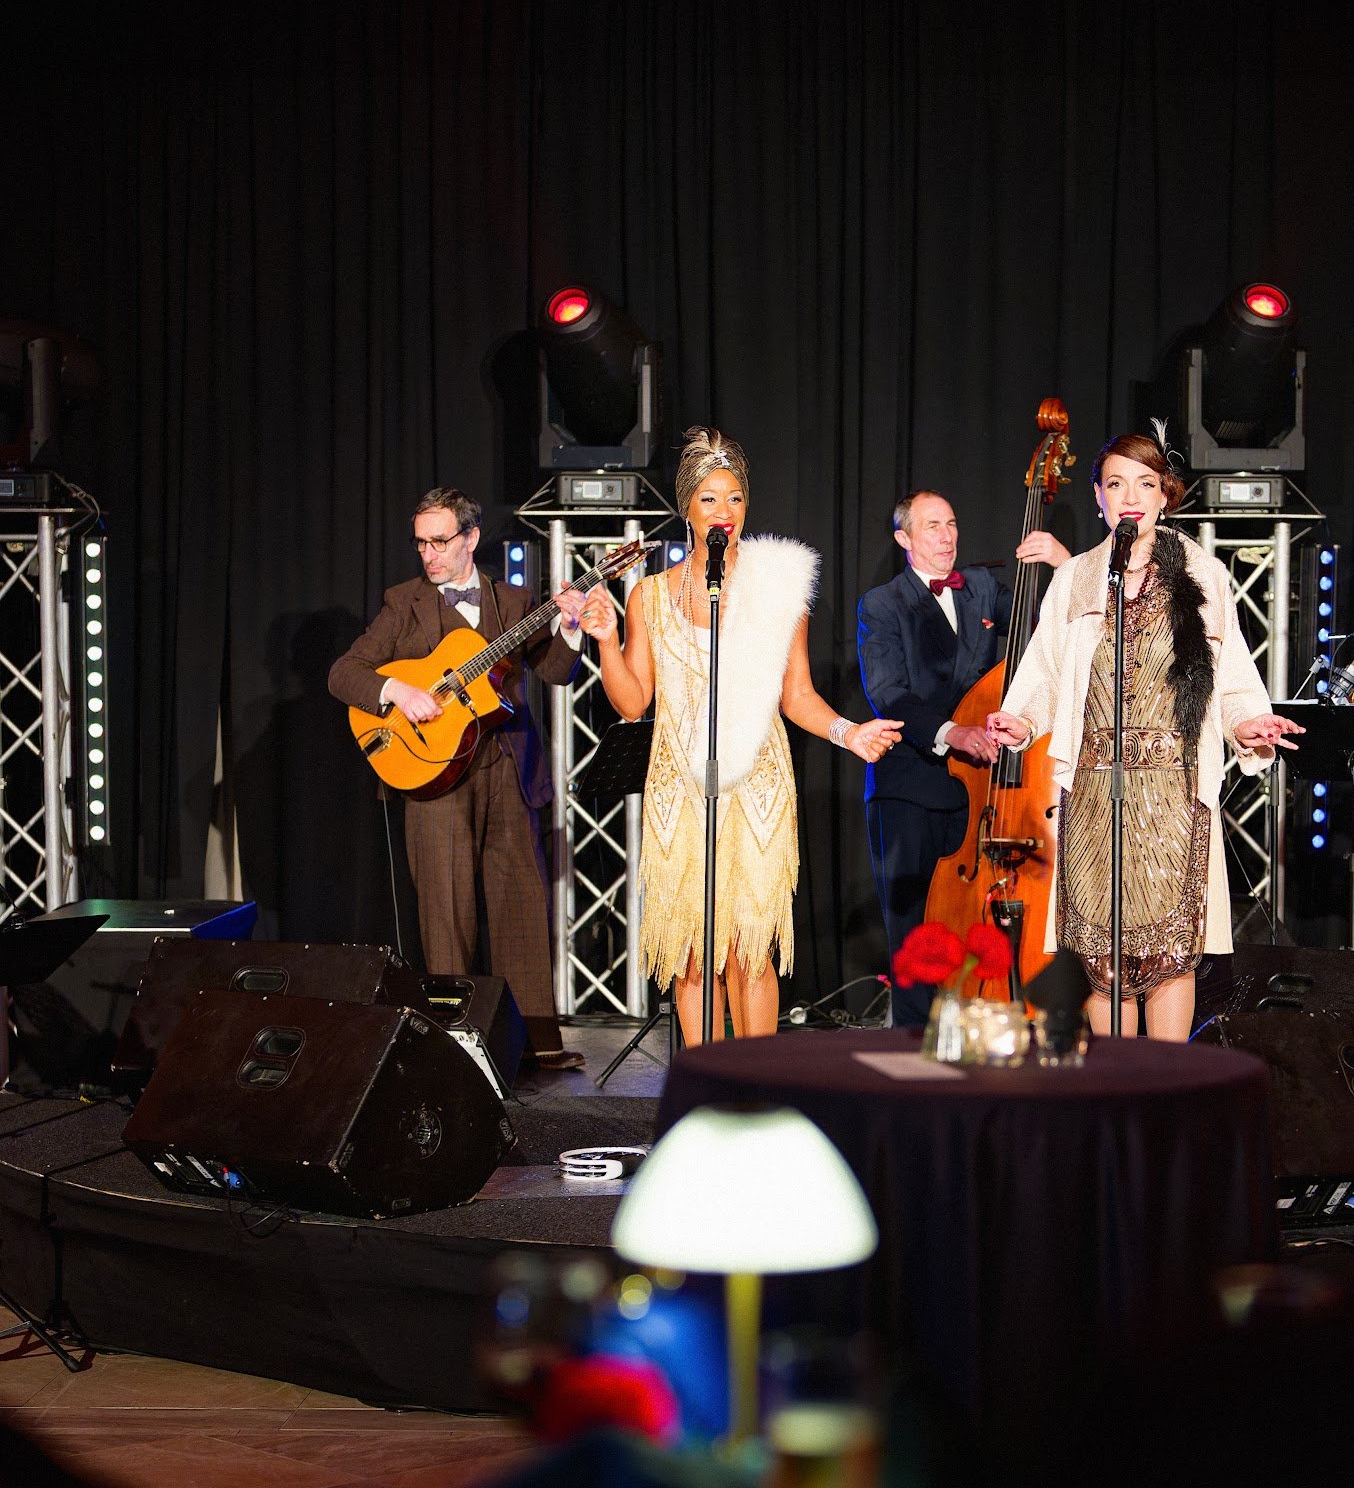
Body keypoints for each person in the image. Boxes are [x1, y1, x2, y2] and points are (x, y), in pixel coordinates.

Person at [582, 427, 901, 1044]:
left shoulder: (779, 591)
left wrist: (849, 733)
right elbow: (631, 701)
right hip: (683, 788)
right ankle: (705, 1089)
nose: (723, 512)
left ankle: (756, 1086)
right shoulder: (648, 595)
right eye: (709, 499)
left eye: (734, 499)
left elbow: (797, 694)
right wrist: (604, 642)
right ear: (687, 509)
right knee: (695, 950)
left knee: (749, 947)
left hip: (756, 786)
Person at [987, 432, 1301, 1040]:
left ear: (1165, 497)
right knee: (1103, 964)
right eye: (1116, 484)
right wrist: (1021, 720)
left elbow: (1232, 678)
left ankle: (1167, 1096)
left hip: (1174, 794)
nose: (1130, 496)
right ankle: (1116, 1095)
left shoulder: (1205, 576)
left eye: (1145, 483)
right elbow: (1045, 674)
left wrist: (1247, 723)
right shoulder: (1076, 579)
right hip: (1095, 793)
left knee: (1166, 958)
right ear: (1101, 499)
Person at [328, 487, 587, 1072]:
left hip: (508, 772)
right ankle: (456, 1048)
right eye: (421, 542)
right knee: (446, 913)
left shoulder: (515, 600)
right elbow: (344, 674)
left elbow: (554, 672)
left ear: (470, 538)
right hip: (434, 774)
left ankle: (539, 1044)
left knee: (521, 906)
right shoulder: (406, 604)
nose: (429, 554)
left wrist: (570, 626)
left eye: (440, 541)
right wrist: (399, 691)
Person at [855, 491, 1067, 1024]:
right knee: (914, 938)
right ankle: (912, 1060)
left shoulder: (981, 589)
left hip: (982, 794)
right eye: (932, 527)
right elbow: (890, 693)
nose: (947, 536)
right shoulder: (882, 604)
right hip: (911, 789)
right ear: (904, 540)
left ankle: (977, 1040)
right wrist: (955, 732)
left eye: (951, 524)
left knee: (974, 931)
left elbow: (1054, 633)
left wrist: (1064, 566)